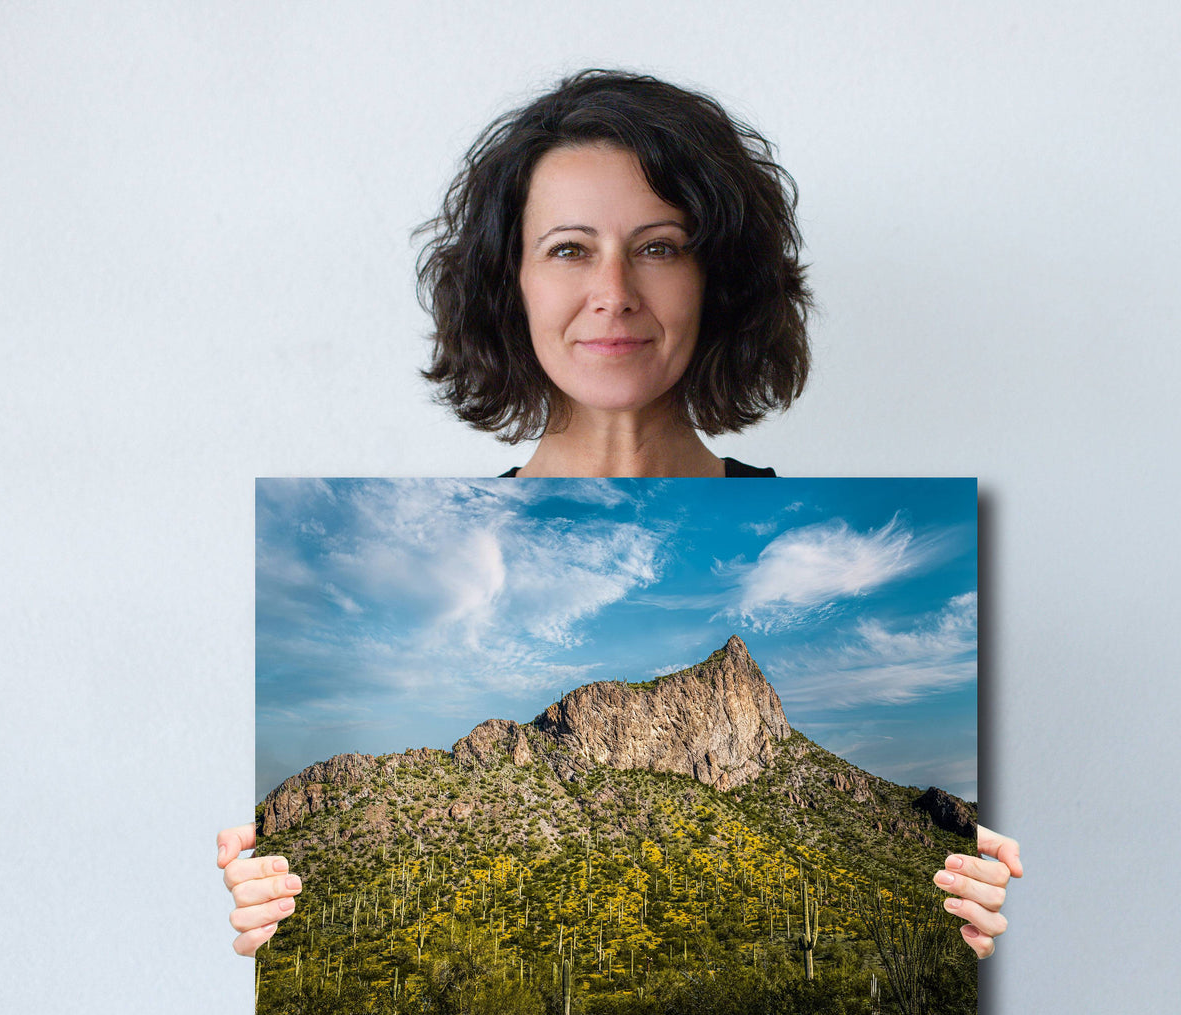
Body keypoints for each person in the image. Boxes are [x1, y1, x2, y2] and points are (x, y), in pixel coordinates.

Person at [219, 69, 1022, 962]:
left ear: (716, 281)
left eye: (659, 246)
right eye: (568, 249)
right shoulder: (408, 538)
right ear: (509, 283)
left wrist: (967, 923)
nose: (614, 290)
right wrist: (278, 932)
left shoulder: (840, 525)